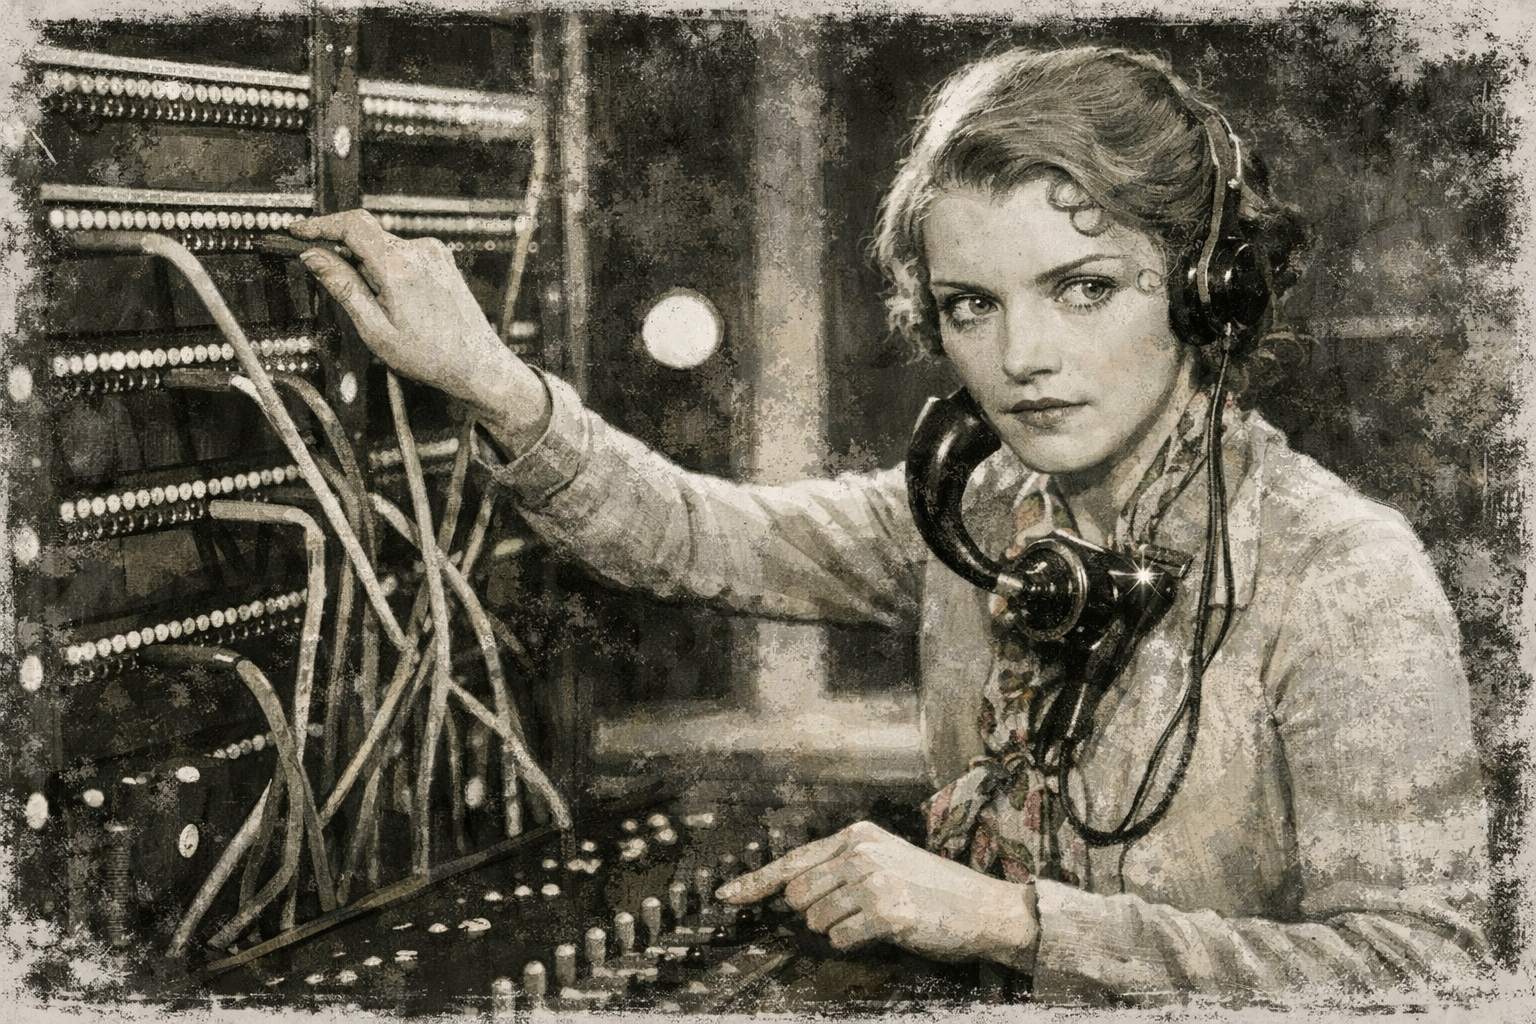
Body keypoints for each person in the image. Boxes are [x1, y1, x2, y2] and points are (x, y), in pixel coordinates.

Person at [291, 45, 1489, 1004]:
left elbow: (1427, 977)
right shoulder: (973, 514)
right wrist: (488, 379)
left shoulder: (1344, 572)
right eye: (972, 306)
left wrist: (1007, 920)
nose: (1021, 358)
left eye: (1084, 288)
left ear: (1203, 291)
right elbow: (697, 532)